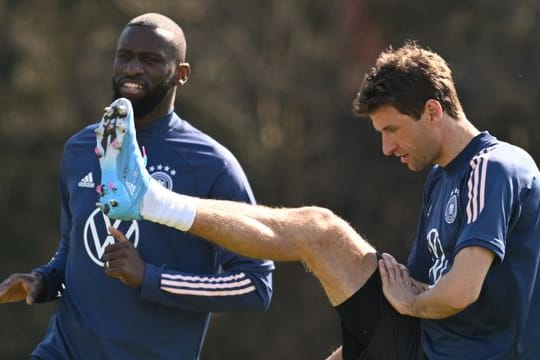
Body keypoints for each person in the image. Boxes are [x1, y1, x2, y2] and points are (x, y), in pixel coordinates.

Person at [96, 41, 540, 359]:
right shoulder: (442, 178)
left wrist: (409, 306)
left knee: (318, 229)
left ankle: (153, 200)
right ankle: (151, 199)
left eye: (391, 130)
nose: (387, 148)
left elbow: (456, 293)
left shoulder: (494, 167)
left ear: (432, 111)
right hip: (423, 343)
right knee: (315, 227)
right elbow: (414, 288)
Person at [0, 13, 274, 360]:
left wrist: (150, 278)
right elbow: (73, 251)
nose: (132, 69)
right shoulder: (81, 148)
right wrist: (43, 282)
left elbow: (255, 285)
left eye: (150, 60)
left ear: (182, 74)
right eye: (125, 56)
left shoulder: (212, 166)